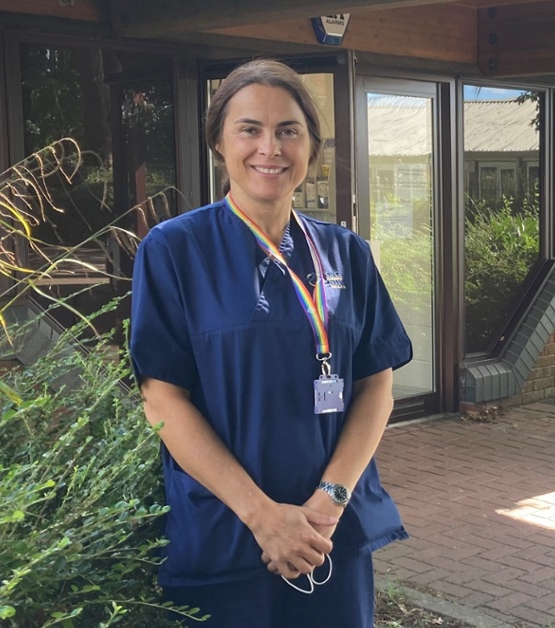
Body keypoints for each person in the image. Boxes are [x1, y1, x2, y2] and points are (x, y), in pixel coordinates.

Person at [130, 59, 412, 627]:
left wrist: (329, 502)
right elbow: (163, 402)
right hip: (227, 535)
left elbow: (375, 382)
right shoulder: (174, 251)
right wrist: (264, 518)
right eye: (249, 129)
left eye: (289, 130)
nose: (270, 148)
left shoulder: (346, 254)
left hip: (328, 535)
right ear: (218, 142)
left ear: (311, 145)